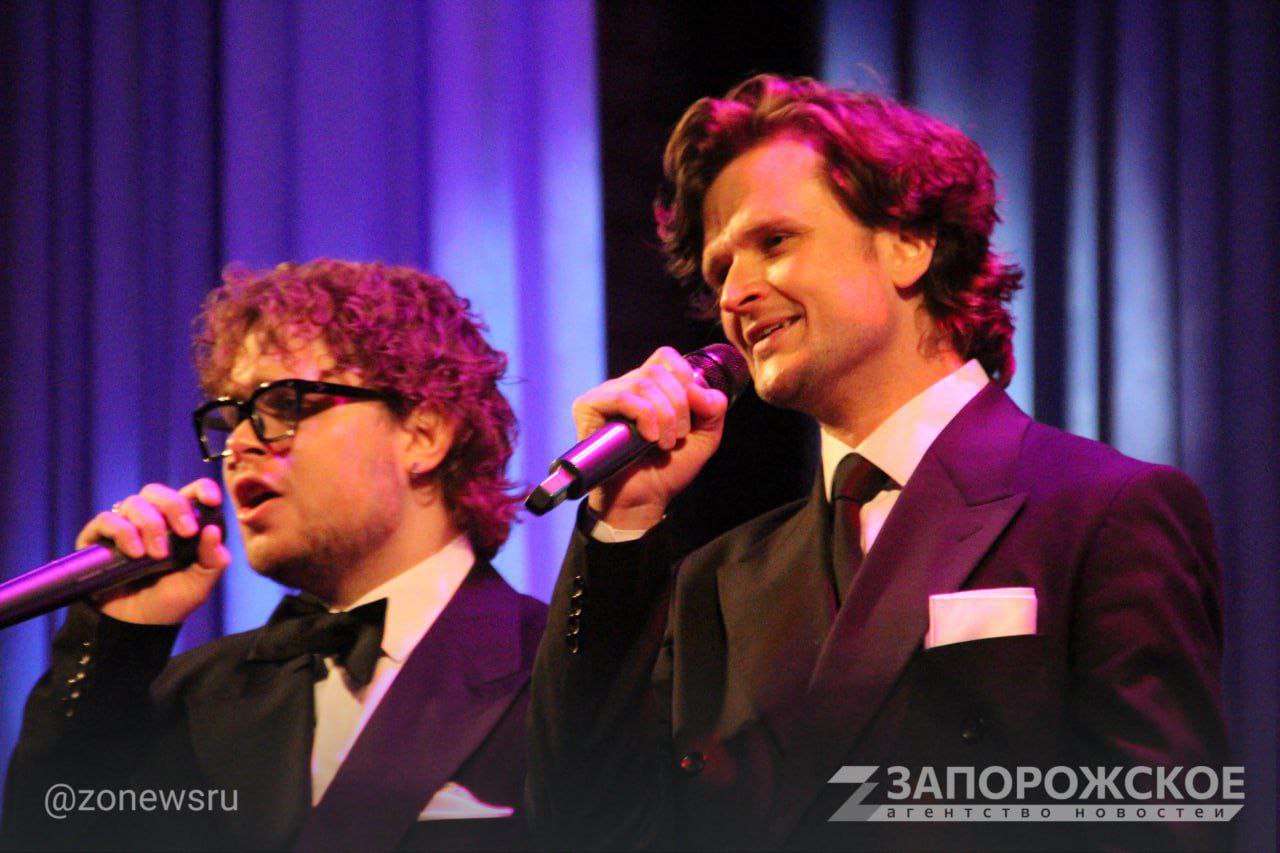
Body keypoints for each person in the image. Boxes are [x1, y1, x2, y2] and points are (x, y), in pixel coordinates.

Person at [526, 75, 1228, 850]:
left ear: (908, 244)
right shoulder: (718, 580)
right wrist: (623, 518)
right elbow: (584, 825)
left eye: (774, 241)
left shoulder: (1104, 510)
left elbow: (1164, 820)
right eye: (721, 270)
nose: (735, 293)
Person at [3, 259, 546, 851]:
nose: (239, 445)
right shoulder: (194, 694)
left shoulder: (563, 670)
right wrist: (118, 642)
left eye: (285, 405)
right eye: (231, 418)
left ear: (423, 435)